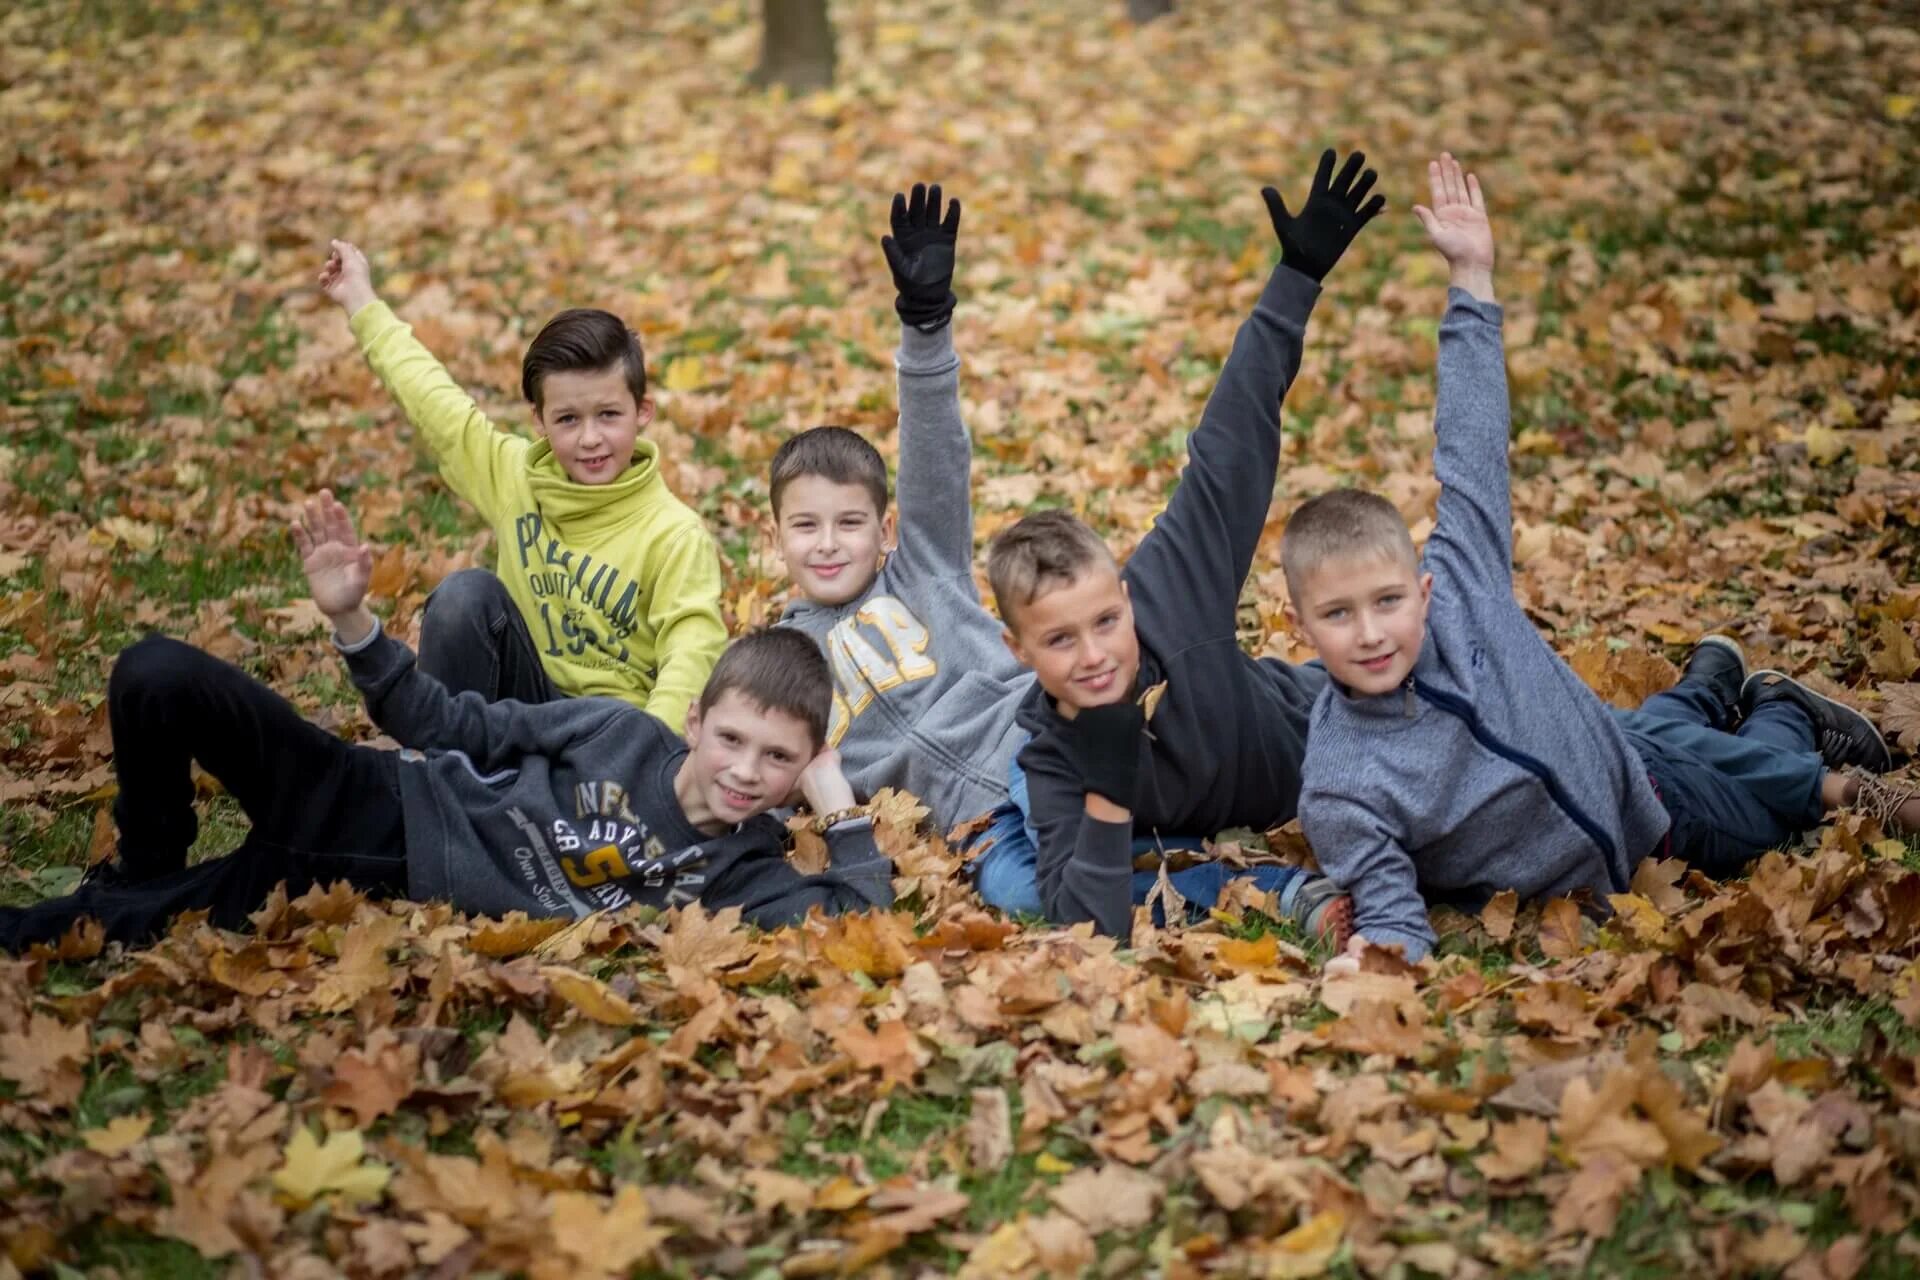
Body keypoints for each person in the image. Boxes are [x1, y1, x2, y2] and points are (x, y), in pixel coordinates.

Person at [1285, 153, 1905, 971]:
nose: (1370, 632)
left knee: (1748, 789)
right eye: (1337, 614)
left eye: (1387, 601)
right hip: (1642, 843)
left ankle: (1742, 700)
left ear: (1425, 588)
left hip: (1648, 788)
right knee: (1769, 815)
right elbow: (1393, 911)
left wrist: (1472, 277)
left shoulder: (1463, 584)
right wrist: (1377, 964)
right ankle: (1774, 703)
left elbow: (1471, 447)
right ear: (1299, 624)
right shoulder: (1341, 785)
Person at [0, 492, 890, 953]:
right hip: (364, 797)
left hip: (337, 885)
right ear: (695, 718)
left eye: (778, 760)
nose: (745, 772)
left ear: (805, 764)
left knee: (44, 934)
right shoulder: (621, 734)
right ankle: (147, 859)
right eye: (732, 739)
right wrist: (354, 623)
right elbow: (441, 718)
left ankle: (136, 900)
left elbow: (863, 922)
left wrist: (837, 803)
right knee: (154, 669)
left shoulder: (741, 869)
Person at [984, 149, 1387, 940]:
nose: (1095, 653)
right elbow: (1088, 925)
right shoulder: (1052, 765)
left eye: (1105, 622)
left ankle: (1697, 693)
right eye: (1059, 639)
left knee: (1620, 743)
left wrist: (1295, 280)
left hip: (1318, 723)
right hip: (1173, 822)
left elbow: (1229, 455)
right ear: (1018, 650)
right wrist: (1105, 785)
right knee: (1019, 884)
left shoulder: (1170, 592)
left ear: (1128, 598)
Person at [770, 183, 1045, 914]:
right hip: (970, 827)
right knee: (1026, 896)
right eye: (806, 527)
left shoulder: (923, 562)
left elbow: (934, 454)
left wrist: (926, 323)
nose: (828, 545)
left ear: (885, 531)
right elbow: (760, 767)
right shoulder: (781, 661)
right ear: (775, 540)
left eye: (849, 523)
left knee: (1075, 816)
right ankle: (1280, 891)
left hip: (1028, 745)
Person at [318, 241, 726, 732]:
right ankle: (443, 774)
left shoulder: (675, 535)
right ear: (539, 420)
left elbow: (691, 656)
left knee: (618, 719)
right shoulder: (516, 477)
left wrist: (645, 761)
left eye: (609, 415)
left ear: (643, 412)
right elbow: (433, 401)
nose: (591, 438)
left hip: (610, 735)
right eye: (568, 419)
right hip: (519, 711)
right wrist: (361, 298)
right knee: (464, 595)